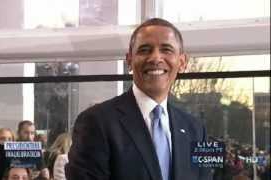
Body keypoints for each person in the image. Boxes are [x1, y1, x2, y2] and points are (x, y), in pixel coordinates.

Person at [66, 18, 212, 180]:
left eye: (166, 49)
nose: (156, 58)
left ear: (182, 62)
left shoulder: (197, 130)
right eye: (144, 50)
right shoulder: (95, 122)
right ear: (129, 60)